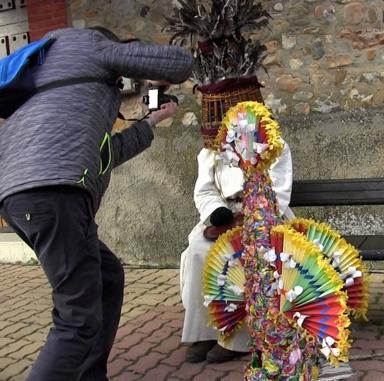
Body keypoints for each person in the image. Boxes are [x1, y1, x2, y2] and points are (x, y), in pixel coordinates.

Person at [0, 27, 193, 381]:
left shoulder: (62, 86)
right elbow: (180, 62)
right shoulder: (88, 44)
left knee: (107, 276)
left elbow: (107, 154)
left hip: (20, 197)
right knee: (77, 320)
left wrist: (153, 119)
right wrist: (149, 72)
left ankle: (91, 375)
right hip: (56, 195)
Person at [180, 134, 294, 363]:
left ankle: (237, 339)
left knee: (244, 251)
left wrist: (254, 215)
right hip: (225, 216)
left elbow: (279, 191)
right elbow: (205, 191)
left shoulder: (274, 143)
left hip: (265, 214)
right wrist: (217, 212)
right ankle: (205, 332)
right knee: (198, 250)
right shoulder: (211, 149)